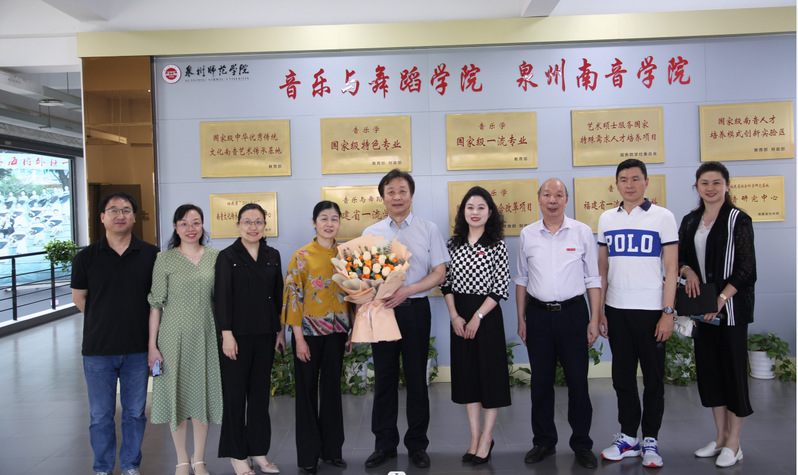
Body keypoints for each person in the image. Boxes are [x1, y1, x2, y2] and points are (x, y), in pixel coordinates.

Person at [362, 169, 450, 469]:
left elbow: (439, 273)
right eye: (391, 192)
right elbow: (364, 277)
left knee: (416, 378)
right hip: (383, 311)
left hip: (415, 309)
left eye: (402, 191)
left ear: (411, 195)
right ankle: (384, 444)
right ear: (383, 197)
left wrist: (408, 290)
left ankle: (417, 444)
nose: (397, 197)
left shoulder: (428, 229)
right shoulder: (371, 232)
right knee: (384, 378)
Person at [597, 159, 678, 468]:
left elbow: (671, 269)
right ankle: (628, 436)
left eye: (635, 178)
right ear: (616, 184)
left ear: (646, 182)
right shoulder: (607, 218)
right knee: (622, 377)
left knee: (654, 379)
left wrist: (668, 312)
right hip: (617, 309)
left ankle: (651, 440)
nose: (629, 184)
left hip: (652, 311)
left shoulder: (663, 217)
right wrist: (600, 310)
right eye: (623, 179)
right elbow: (602, 268)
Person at [71, 192, 159, 475]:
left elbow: (157, 301)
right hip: (98, 349)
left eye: (126, 210)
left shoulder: (151, 255)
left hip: (137, 349)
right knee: (100, 415)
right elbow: (79, 298)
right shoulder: (86, 257)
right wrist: (105, 319)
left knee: (134, 413)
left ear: (134, 217)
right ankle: (103, 467)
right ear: (102, 217)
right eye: (113, 210)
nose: (120, 215)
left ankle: (131, 465)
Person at [515, 178, 600, 469]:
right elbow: (522, 279)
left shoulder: (582, 232)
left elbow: (593, 279)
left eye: (559, 195)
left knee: (577, 381)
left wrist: (594, 318)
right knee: (541, 382)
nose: (553, 200)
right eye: (547, 195)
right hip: (538, 316)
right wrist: (521, 318)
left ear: (566, 200)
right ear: (539, 199)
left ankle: (582, 444)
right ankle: (544, 441)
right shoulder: (527, 234)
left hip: (574, 314)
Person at [678, 161, 756, 468]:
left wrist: (721, 299)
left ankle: (734, 443)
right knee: (710, 373)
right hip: (702, 311)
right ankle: (721, 436)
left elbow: (747, 269)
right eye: (704, 183)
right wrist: (687, 271)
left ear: (727, 185)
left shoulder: (738, 219)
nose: (710, 188)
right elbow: (680, 257)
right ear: (696, 187)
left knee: (733, 373)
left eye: (716, 182)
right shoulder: (690, 220)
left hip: (731, 311)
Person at [147, 204, 223, 475]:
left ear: (202, 226)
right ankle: (181, 459)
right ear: (175, 227)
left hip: (206, 335)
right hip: (172, 336)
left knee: (202, 395)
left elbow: (222, 300)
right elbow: (155, 304)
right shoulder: (164, 259)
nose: (190, 228)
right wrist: (152, 346)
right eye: (184, 223)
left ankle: (199, 459)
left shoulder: (215, 257)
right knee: (176, 396)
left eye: (196, 222)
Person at [440, 186, 510, 466]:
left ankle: (487, 438)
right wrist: (454, 316)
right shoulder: (452, 244)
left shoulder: (497, 245)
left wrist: (477, 317)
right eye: (470, 207)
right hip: (459, 317)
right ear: (463, 212)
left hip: (487, 317)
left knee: (490, 379)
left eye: (481, 207)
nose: (475, 212)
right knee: (468, 379)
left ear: (489, 212)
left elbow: (500, 286)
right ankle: (474, 437)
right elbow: (445, 283)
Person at [283, 200, 353, 474]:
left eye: (334, 218)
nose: (329, 223)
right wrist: (298, 338)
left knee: (332, 391)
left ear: (339, 223)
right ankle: (308, 455)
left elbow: (354, 295)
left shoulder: (347, 255)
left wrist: (353, 331)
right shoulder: (301, 256)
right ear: (314, 223)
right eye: (323, 218)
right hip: (308, 335)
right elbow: (293, 298)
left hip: (338, 333)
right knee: (306, 393)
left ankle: (332, 451)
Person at [215, 203, 286, 475]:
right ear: (238, 225)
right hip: (237, 337)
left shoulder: (272, 255)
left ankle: (258, 451)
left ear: (265, 225)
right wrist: (227, 334)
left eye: (258, 222)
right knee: (235, 397)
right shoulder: (227, 256)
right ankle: (237, 455)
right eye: (247, 222)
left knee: (259, 397)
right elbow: (222, 298)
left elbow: (278, 296)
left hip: (266, 334)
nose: (253, 227)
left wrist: (280, 332)